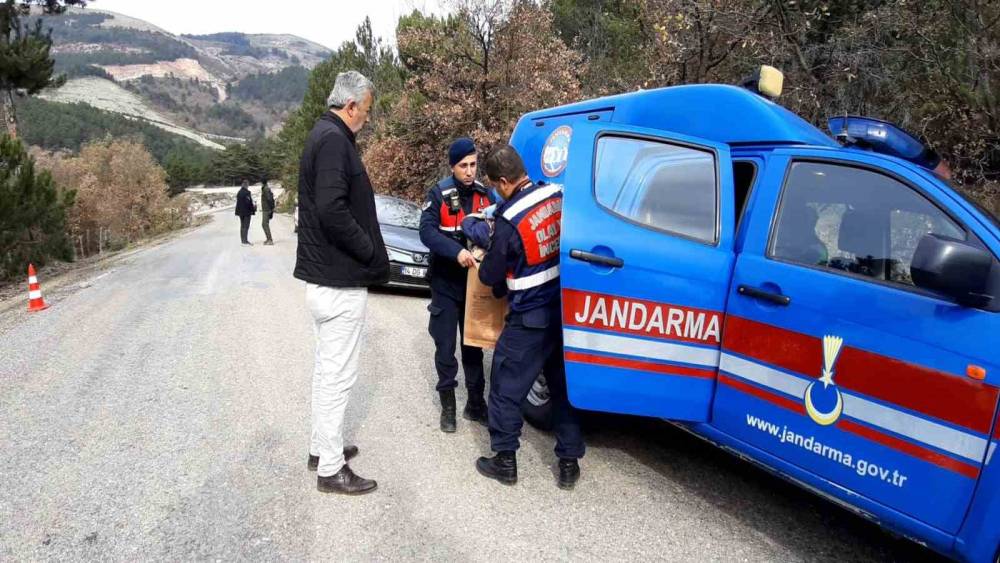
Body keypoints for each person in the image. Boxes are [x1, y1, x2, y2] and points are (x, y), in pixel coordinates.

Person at [462, 145, 585, 490]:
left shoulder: (509, 220)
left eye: (495, 185)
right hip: (563, 314)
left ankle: (504, 460)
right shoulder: (555, 196)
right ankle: (569, 462)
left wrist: (481, 244)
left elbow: (490, 276)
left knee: (504, 386)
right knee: (562, 390)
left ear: (503, 182)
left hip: (530, 318)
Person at [293, 70, 389, 495]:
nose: (366, 120)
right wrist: (369, 249)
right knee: (337, 376)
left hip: (326, 279)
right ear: (351, 106)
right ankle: (331, 469)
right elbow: (332, 210)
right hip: (337, 281)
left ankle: (321, 446)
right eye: (366, 112)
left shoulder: (324, 136)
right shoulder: (333, 141)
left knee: (325, 371)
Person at [419, 137, 496, 433]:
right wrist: (456, 251)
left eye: (473, 164)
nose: (469, 171)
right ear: (453, 166)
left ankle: (475, 404)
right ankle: (448, 406)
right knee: (445, 347)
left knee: (473, 347)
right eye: (463, 165)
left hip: (474, 286)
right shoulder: (438, 193)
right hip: (446, 283)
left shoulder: (485, 196)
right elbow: (426, 232)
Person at [235, 179, 256, 246]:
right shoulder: (247, 193)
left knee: (242, 226)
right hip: (246, 212)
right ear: (246, 185)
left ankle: (243, 241)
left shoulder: (239, 192)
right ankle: (245, 241)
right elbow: (248, 203)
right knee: (245, 226)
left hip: (240, 212)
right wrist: (253, 208)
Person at [261, 179, 275, 246]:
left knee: (264, 224)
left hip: (267, 209)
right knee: (265, 224)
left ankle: (270, 240)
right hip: (266, 209)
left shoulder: (266, 189)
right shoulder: (265, 188)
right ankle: (268, 239)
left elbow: (269, 199)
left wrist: (271, 209)